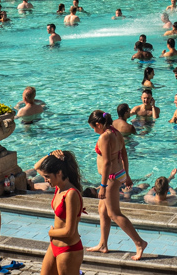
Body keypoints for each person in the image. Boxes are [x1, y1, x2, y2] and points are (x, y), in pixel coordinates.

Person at [87, 110, 147, 260]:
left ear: (99, 124)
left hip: (110, 178)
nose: (94, 131)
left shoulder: (104, 137)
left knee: (114, 213)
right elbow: (124, 154)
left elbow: (106, 162)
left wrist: (102, 186)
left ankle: (139, 242)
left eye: (93, 127)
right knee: (102, 210)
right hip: (118, 173)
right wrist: (127, 175)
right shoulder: (116, 132)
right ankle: (103, 244)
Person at [37, 150, 85, 275]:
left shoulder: (71, 194)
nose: (45, 180)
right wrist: (50, 155)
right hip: (54, 246)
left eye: (47, 177)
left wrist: (51, 232)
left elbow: (69, 231)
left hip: (68, 250)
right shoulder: (58, 187)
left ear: (59, 173)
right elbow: (37, 167)